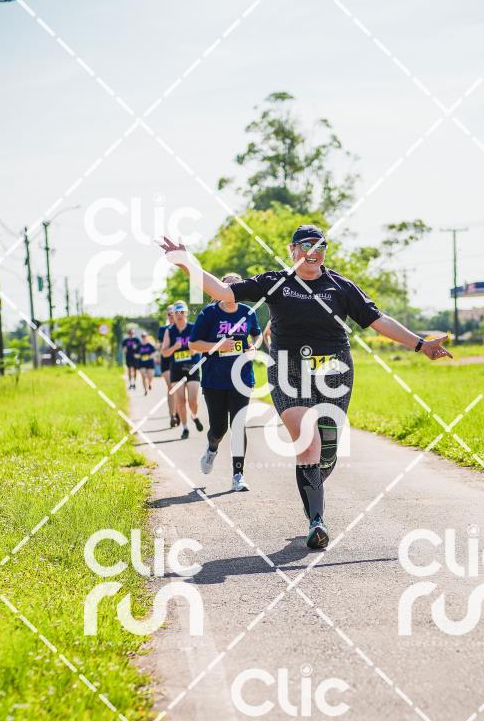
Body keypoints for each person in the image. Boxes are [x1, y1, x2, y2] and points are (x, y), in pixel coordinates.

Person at [159, 225, 452, 549]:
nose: (312, 252)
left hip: (334, 369)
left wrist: (420, 344)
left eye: (319, 246)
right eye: (305, 245)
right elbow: (223, 291)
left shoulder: (340, 287)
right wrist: (186, 261)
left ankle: (315, 481)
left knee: (327, 447)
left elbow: (378, 320)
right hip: (288, 370)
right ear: (292, 250)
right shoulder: (276, 282)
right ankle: (317, 521)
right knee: (307, 441)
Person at [189, 272, 263, 492]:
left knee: (238, 424)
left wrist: (255, 345)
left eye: (235, 287)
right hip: (214, 380)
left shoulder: (248, 312)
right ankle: (212, 449)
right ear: (219, 289)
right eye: (226, 286)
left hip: (242, 378)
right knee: (218, 429)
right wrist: (217, 346)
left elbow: (257, 334)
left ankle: (238, 475)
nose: (231, 291)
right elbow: (193, 344)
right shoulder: (209, 313)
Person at [160, 300, 203, 440]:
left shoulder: (193, 327)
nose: (179, 315)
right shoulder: (169, 331)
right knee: (180, 400)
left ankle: (194, 416)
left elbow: (201, 346)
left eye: (182, 312)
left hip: (191, 367)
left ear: (186, 313)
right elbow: (164, 353)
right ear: (173, 314)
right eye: (176, 312)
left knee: (192, 400)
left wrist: (194, 350)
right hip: (176, 369)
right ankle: (185, 428)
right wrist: (174, 348)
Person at [158, 304, 179, 427]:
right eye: (169, 313)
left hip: (179, 362)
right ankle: (172, 416)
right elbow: (160, 345)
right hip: (166, 361)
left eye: (173, 313)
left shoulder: (182, 328)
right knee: (171, 387)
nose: (171, 315)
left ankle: (178, 411)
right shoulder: (163, 329)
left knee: (178, 388)